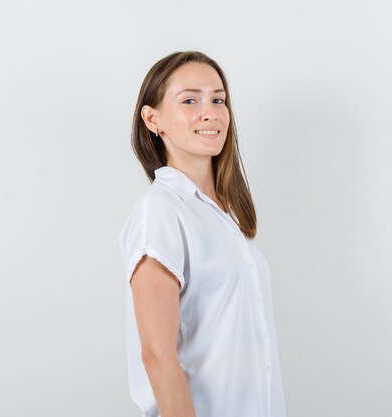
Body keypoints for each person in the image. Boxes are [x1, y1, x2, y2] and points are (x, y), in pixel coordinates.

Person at [118, 51, 287, 417]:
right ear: (153, 119)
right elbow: (158, 357)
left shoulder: (225, 214)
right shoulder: (162, 211)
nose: (209, 111)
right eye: (190, 100)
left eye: (218, 99)